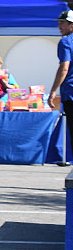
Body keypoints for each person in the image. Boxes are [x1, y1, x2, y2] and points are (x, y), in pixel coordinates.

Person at [48, 10, 73, 166]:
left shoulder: (66, 42)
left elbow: (64, 68)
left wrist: (52, 92)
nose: (59, 26)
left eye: (62, 22)